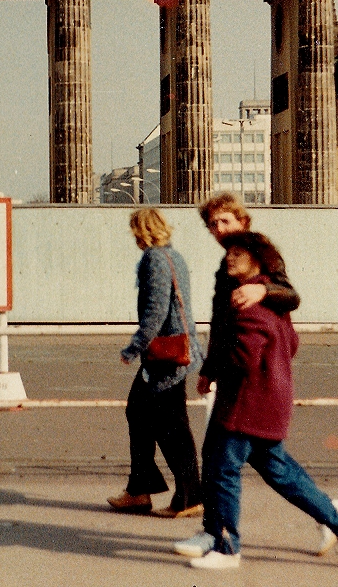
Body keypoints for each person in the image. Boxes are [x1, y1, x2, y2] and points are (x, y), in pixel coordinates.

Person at [179, 231, 338, 570]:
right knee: (279, 471)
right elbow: (291, 343)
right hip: (271, 401)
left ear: (257, 260)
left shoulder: (248, 303)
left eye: (237, 253)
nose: (229, 257)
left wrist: (215, 368)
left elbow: (243, 358)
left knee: (222, 472)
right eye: (228, 252)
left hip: (244, 406)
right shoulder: (273, 300)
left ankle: (227, 549)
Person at [107, 208, 205, 519]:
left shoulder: (154, 259)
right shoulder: (174, 256)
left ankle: (188, 496)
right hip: (174, 351)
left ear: (143, 231)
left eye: (135, 231)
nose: (134, 237)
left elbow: (156, 311)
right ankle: (140, 490)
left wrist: (133, 348)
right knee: (142, 412)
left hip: (167, 355)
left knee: (169, 423)